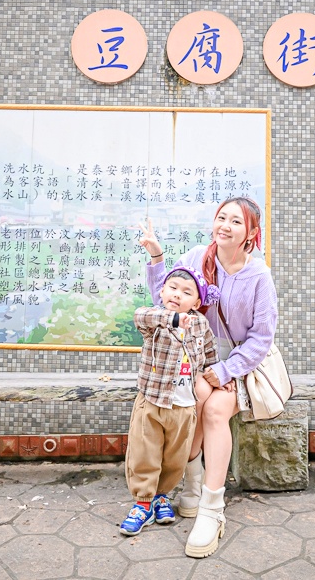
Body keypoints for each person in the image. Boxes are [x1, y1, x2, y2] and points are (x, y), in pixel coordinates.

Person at [139, 196, 278, 558]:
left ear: (251, 232)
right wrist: (157, 258)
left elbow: (261, 338)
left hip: (241, 363)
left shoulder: (259, 276)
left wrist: (223, 371)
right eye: (221, 217)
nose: (225, 226)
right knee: (195, 393)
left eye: (235, 221)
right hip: (197, 359)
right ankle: (193, 479)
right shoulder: (199, 257)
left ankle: (210, 508)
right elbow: (167, 298)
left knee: (214, 409)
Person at [119, 265, 219, 537]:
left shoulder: (200, 324)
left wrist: (217, 375)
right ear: (162, 291)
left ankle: (162, 496)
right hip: (153, 401)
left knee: (175, 456)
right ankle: (142, 502)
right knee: (145, 451)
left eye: (186, 292)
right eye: (172, 288)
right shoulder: (155, 319)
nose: (177, 294)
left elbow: (210, 355)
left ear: (197, 302)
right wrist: (173, 319)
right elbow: (141, 316)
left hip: (184, 407)